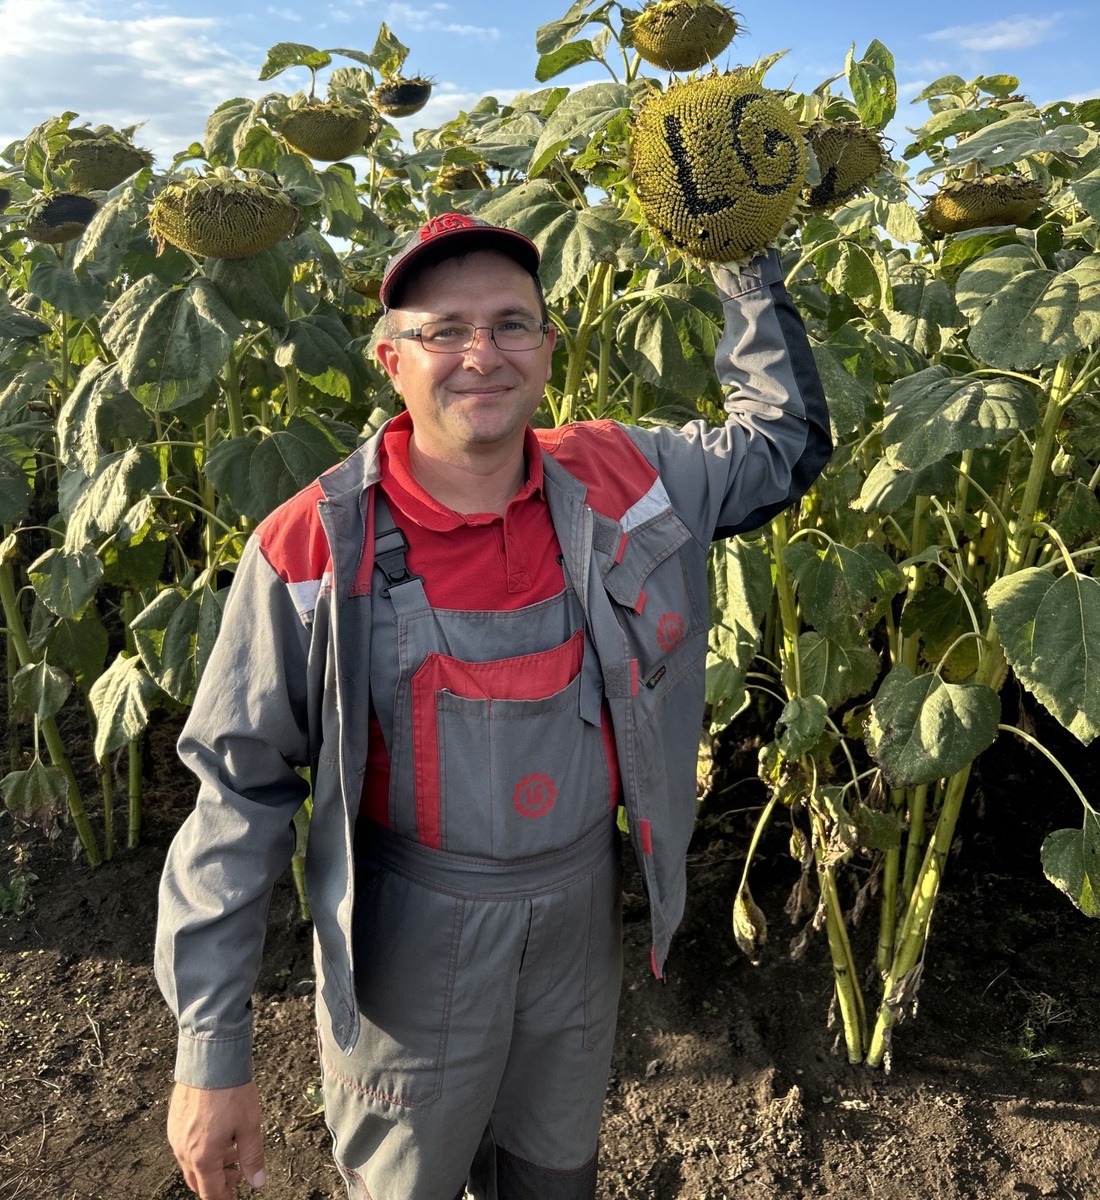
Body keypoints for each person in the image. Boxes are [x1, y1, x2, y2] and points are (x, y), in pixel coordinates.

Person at [155, 211, 831, 1200]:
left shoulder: (620, 477)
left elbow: (776, 444)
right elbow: (237, 797)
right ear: (390, 358)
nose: (483, 354)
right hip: (407, 945)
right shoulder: (312, 545)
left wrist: (737, 251)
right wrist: (210, 1052)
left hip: (577, 917)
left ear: (547, 350)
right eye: (445, 330)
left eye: (512, 324)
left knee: (553, 1173)